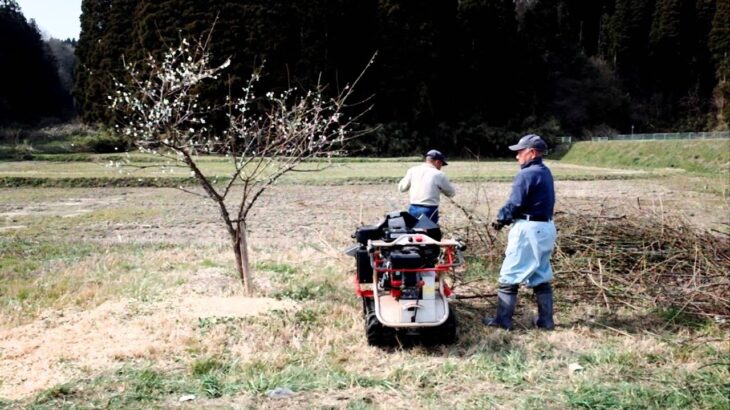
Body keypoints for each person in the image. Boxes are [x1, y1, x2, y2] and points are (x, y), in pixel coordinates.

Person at [483, 134, 557, 330]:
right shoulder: (545, 171)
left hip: (528, 228)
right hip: (546, 227)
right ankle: (546, 321)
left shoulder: (526, 174)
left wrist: (501, 219)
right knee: (541, 274)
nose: (517, 156)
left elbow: (515, 204)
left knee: (510, 275)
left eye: (519, 152)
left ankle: (502, 321)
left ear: (532, 153)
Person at [398, 149, 456, 224]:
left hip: (413, 208)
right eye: (441, 164)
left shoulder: (412, 170)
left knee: (414, 234)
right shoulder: (439, 174)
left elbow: (401, 188)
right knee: (428, 234)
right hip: (429, 210)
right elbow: (451, 193)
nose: (441, 167)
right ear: (438, 162)